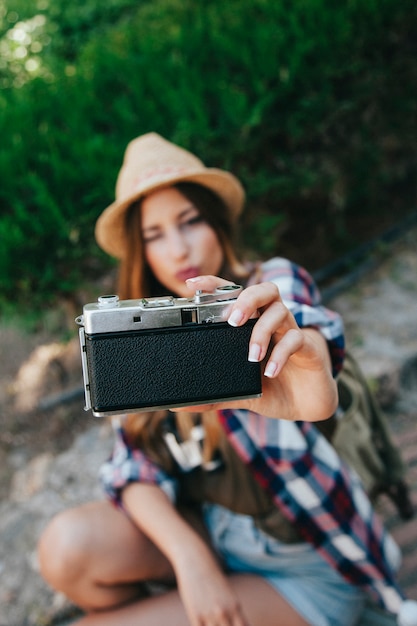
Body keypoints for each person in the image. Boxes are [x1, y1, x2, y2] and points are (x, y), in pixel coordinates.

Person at [37, 133, 417, 626]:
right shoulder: (137, 329)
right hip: (216, 533)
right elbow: (131, 466)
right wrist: (188, 557)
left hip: (309, 558)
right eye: (154, 234)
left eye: (190, 221)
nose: (178, 249)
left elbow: (310, 330)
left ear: (217, 222)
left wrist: (309, 372)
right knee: (67, 549)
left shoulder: (271, 285)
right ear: (139, 250)